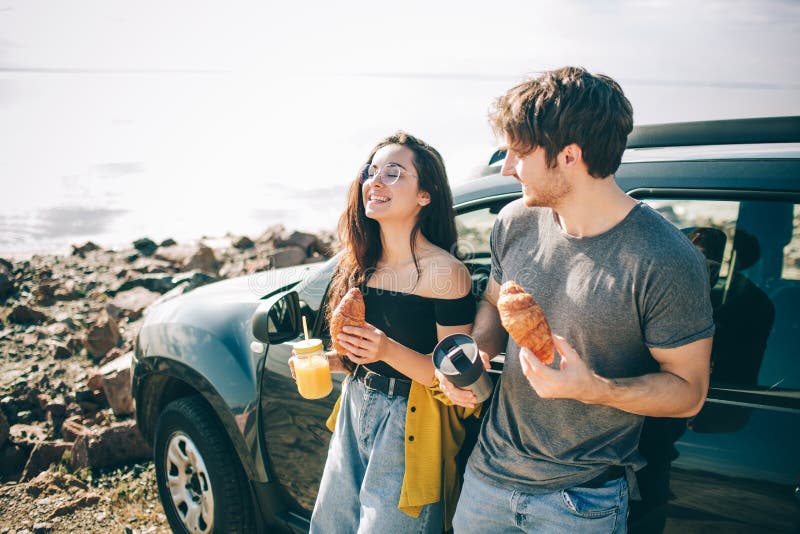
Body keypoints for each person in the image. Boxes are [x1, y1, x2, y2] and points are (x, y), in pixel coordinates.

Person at [436, 67, 715, 533]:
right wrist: (479, 352)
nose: (506, 168)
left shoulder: (665, 258)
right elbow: (492, 303)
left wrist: (593, 389)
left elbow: (689, 392)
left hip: (582, 501)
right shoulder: (514, 221)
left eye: (518, 153)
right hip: (486, 480)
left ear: (569, 156)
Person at [302, 131, 478, 534]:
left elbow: (456, 382)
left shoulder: (445, 274)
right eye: (372, 171)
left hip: (408, 426)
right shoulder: (360, 263)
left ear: (425, 195)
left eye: (394, 173)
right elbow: (363, 357)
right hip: (355, 405)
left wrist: (384, 348)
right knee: (330, 527)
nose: (375, 181)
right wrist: (329, 360)